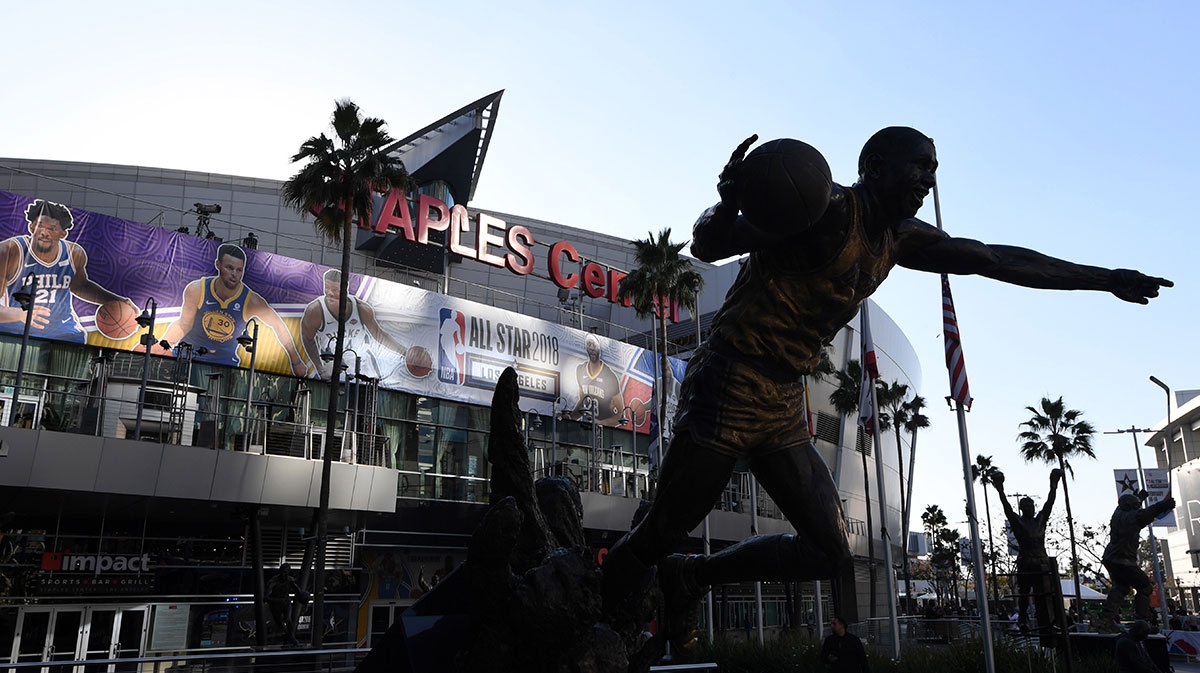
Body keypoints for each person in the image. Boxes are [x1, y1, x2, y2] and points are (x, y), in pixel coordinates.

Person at [600, 127, 1171, 648]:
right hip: (730, 377)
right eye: (920, 166)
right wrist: (727, 202)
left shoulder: (899, 239)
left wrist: (1104, 279)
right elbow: (708, 246)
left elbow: (997, 260)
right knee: (659, 532)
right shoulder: (821, 211)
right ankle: (587, 611)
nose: (930, 178)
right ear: (874, 166)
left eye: (934, 167)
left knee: (827, 552)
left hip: (779, 401)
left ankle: (690, 576)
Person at [158, 244, 307, 376]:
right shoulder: (197, 289)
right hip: (189, 356)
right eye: (229, 268)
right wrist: (160, 346)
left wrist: (296, 361)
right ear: (218, 265)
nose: (234, 274)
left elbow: (278, 326)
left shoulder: (251, 300)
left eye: (239, 270)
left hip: (224, 365)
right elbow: (184, 324)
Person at [0, 199, 136, 343]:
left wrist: (118, 300)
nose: (44, 233)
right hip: (18, 329)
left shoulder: (74, 253)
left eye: (51, 229)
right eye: (40, 226)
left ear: (63, 233)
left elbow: (79, 286)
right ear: (32, 226)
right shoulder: (10, 251)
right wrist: (19, 314)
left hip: (64, 331)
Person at [300, 268, 411, 380]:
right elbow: (307, 338)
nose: (330, 293)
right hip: (333, 364)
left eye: (334, 289)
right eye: (327, 288)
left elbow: (379, 335)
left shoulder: (361, 308)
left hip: (362, 364)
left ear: (345, 290)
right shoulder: (315, 310)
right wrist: (320, 369)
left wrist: (405, 352)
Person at [992, 468, 1062, 634]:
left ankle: (1054, 620)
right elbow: (1007, 508)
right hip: (1026, 561)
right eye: (1026, 506)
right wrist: (1000, 489)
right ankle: (1023, 620)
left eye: (1031, 505)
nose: (1030, 508)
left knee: (1047, 593)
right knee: (1024, 593)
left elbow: (1049, 504)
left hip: (1042, 561)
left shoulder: (1040, 520)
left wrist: (1053, 485)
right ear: (1022, 508)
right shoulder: (1018, 521)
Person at [1095, 490, 1176, 632]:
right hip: (1124, 561)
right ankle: (1141, 622)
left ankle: (1105, 619)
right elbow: (1149, 512)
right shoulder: (1133, 517)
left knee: (1121, 587)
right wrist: (1165, 505)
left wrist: (1140, 497)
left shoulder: (1118, 512)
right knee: (1145, 587)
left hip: (1110, 558)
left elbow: (1130, 505)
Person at [565, 334, 625, 425]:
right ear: (586, 348)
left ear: (600, 349)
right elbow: (582, 403)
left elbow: (620, 414)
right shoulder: (580, 370)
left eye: (594, 345)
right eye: (589, 344)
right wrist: (570, 416)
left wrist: (601, 423)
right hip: (584, 427)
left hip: (604, 431)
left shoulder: (609, 376)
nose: (592, 348)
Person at [266, 563, 304, 644]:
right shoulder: (273, 581)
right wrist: (274, 600)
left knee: (288, 620)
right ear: (280, 572)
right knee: (280, 624)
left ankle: (292, 638)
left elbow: (297, 589)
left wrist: (301, 594)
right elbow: (266, 597)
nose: (284, 574)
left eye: (286, 572)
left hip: (286, 602)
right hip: (276, 605)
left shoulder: (290, 580)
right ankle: (288, 637)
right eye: (283, 572)